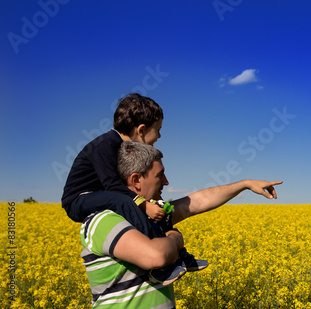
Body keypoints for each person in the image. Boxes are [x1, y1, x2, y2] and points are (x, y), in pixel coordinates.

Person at [81, 141, 283, 308]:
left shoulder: (152, 214)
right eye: (160, 175)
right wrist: (175, 238)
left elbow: (197, 202)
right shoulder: (103, 219)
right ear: (136, 180)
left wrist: (245, 184)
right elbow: (157, 256)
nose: (167, 182)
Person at [61, 93, 204, 283]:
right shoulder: (105, 145)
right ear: (142, 130)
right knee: (124, 200)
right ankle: (160, 266)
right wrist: (144, 205)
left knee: (156, 204)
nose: (160, 136)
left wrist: (151, 204)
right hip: (79, 199)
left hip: (103, 195)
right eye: (158, 130)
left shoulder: (120, 146)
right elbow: (112, 186)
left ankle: (181, 257)